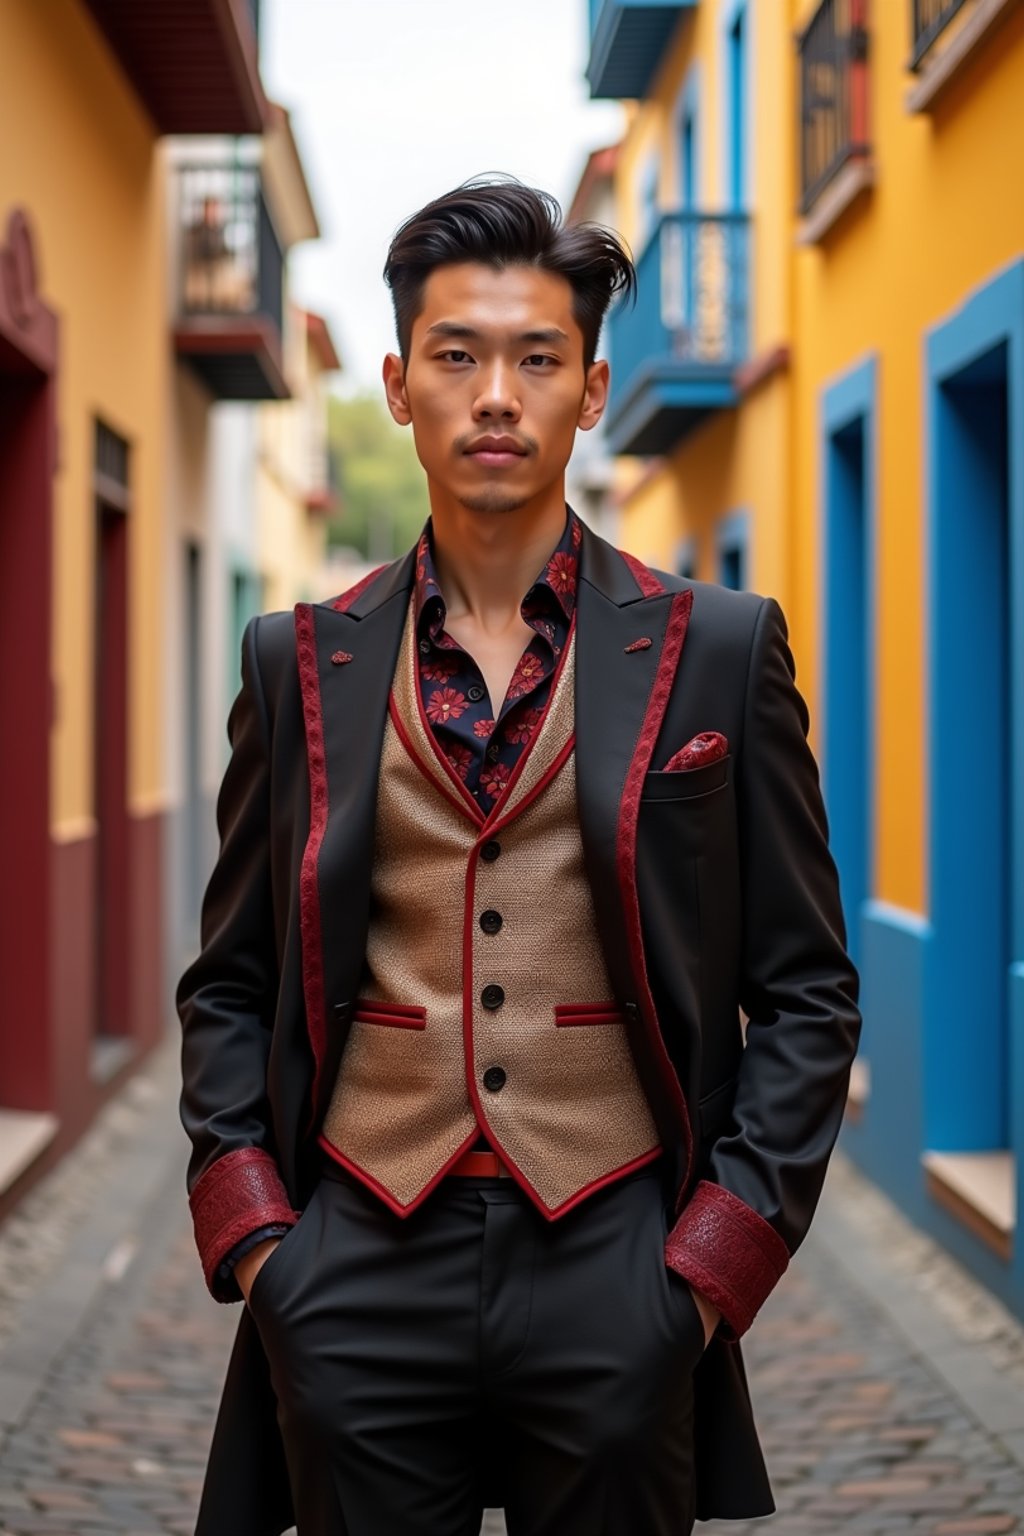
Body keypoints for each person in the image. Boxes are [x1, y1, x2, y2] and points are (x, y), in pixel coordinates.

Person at [177, 175, 861, 1536]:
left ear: (593, 390)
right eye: (457, 356)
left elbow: (805, 990)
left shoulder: (717, 651)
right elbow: (231, 983)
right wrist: (262, 1248)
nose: (497, 394)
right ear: (396, 383)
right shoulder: (300, 658)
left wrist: (709, 1273)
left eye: (538, 358)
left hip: (616, 1254)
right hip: (356, 1259)